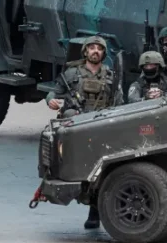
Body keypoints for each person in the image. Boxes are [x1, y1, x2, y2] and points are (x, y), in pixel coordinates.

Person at [46, 35, 124, 229]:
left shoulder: (111, 76)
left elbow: (120, 103)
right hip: (77, 129)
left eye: (99, 48)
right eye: (92, 47)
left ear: (103, 53)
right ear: (85, 51)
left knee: (102, 170)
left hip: (102, 128)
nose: (95, 51)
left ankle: (95, 211)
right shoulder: (71, 74)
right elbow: (53, 92)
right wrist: (50, 101)